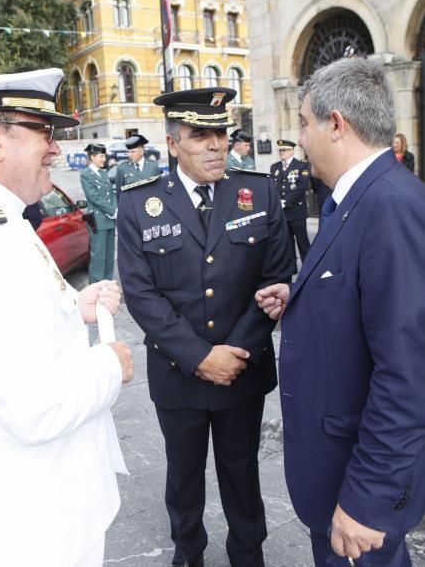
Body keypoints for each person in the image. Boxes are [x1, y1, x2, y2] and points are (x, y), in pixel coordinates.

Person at [0, 68, 134, 567]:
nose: (56, 150)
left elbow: (8, 324)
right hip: (28, 523)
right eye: (44, 132)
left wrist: (70, 308)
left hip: (26, 504)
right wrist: (110, 365)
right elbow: (33, 406)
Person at [255, 58, 425, 566]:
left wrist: (368, 499)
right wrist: (301, 297)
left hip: (357, 488)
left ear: (336, 124)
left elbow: (409, 374)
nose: (300, 138)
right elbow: (363, 299)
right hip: (334, 473)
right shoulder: (354, 198)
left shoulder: (391, 206)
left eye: (304, 123)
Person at [117, 86, 293, 567]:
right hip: (179, 373)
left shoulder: (257, 191)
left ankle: (247, 553)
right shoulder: (140, 203)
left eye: (220, 133)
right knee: (184, 472)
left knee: (242, 472)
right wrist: (199, 357)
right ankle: (188, 551)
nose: (216, 144)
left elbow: (276, 278)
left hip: (242, 367)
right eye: (201, 135)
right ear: (173, 143)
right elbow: (142, 294)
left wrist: (235, 352)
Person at [80, 143, 117, 283]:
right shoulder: (86, 174)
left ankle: (107, 284)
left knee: (109, 255)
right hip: (98, 220)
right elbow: (93, 197)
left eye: (104, 156)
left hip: (109, 219)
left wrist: (115, 210)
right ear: (92, 157)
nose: (104, 159)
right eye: (102, 156)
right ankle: (95, 287)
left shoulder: (103, 172)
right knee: (98, 256)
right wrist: (112, 210)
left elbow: (111, 194)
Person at [270, 139, 310, 267]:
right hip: (283, 213)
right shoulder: (275, 167)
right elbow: (272, 187)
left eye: (284, 150)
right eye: (280, 150)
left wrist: (285, 202)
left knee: (302, 242)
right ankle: (291, 268)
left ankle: (308, 267)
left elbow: (302, 187)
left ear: (292, 151)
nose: (281, 152)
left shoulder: (301, 165)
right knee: (287, 243)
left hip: (296, 211)